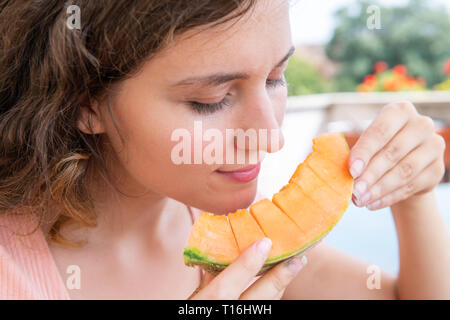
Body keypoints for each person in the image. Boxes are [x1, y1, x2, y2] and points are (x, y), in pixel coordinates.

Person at [0, 0, 449, 300]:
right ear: (83, 101)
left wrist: (414, 196)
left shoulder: (241, 244)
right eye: (209, 101)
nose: (270, 136)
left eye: (276, 78)